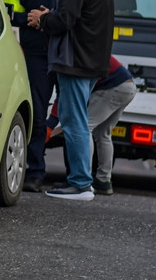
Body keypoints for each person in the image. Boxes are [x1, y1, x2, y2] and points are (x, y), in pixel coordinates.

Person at [27, 0, 115, 201]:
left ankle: (79, 183)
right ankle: (80, 181)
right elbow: (80, 18)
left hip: (75, 62)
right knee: (76, 120)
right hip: (89, 61)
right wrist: (52, 14)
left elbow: (66, 20)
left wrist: (42, 19)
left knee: (74, 121)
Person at [2, 0, 66, 193]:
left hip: (65, 56)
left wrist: (49, 18)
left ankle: (75, 177)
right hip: (36, 56)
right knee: (37, 116)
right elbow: (8, 14)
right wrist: (27, 18)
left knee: (71, 117)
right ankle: (35, 172)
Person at [46, 56, 137, 195]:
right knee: (103, 133)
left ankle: (82, 180)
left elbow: (63, 95)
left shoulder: (67, 59)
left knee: (84, 127)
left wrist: (51, 123)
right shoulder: (91, 50)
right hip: (128, 85)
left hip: (113, 85)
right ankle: (103, 181)